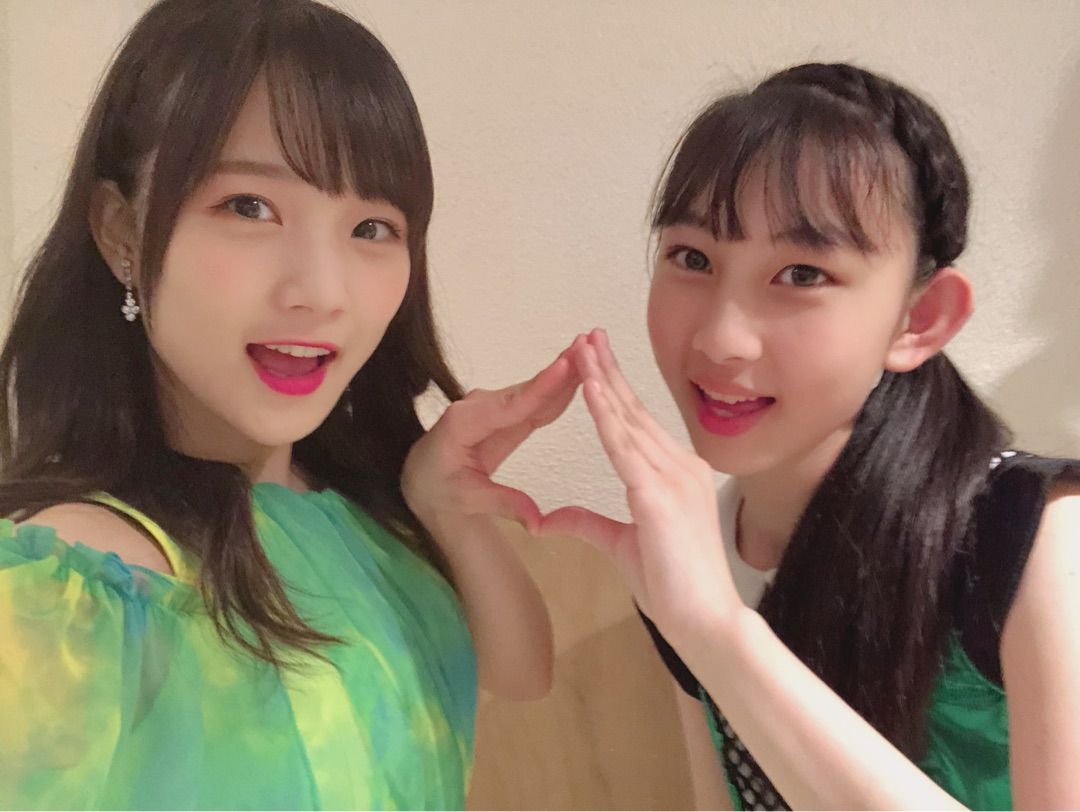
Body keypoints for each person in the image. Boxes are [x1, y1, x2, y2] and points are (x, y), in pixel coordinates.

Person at [0, 1, 569, 807]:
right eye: (249, 208)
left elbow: (519, 672)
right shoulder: (69, 585)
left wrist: (447, 507)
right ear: (122, 230)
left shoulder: (358, 517)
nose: (322, 291)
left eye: (371, 227)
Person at [543, 63, 1080, 809]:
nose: (722, 339)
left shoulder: (1038, 536)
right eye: (692, 258)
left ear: (920, 319)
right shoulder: (692, 548)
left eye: (801, 274)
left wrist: (718, 632)